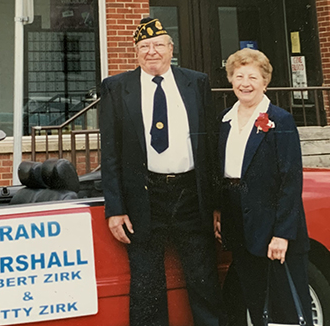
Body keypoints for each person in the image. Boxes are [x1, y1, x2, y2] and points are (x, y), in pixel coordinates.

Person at [100, 17, 227, 326]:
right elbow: (110, 152)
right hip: (144, 196)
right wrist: (114, 209)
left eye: (158, 45)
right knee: (146, 285)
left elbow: (210, 146)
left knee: (203, 279)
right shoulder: (117, 87)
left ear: (172, 49)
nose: (152, 51)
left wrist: (215, 204)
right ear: (135, 52)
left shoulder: (195, 82)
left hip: (189, 195)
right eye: (144, 46)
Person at [214, 48, 312, 325]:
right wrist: (218, 210)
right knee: (257, 305)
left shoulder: (279, 120)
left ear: (265, 81)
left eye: (252, 77)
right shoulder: (225, 121)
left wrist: (282, 234)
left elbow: (290, 180)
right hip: (240, 227)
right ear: (231, 80)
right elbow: (222, 173)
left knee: (286, 308)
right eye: (239, 76)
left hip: (273, 231)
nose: (245, 83)